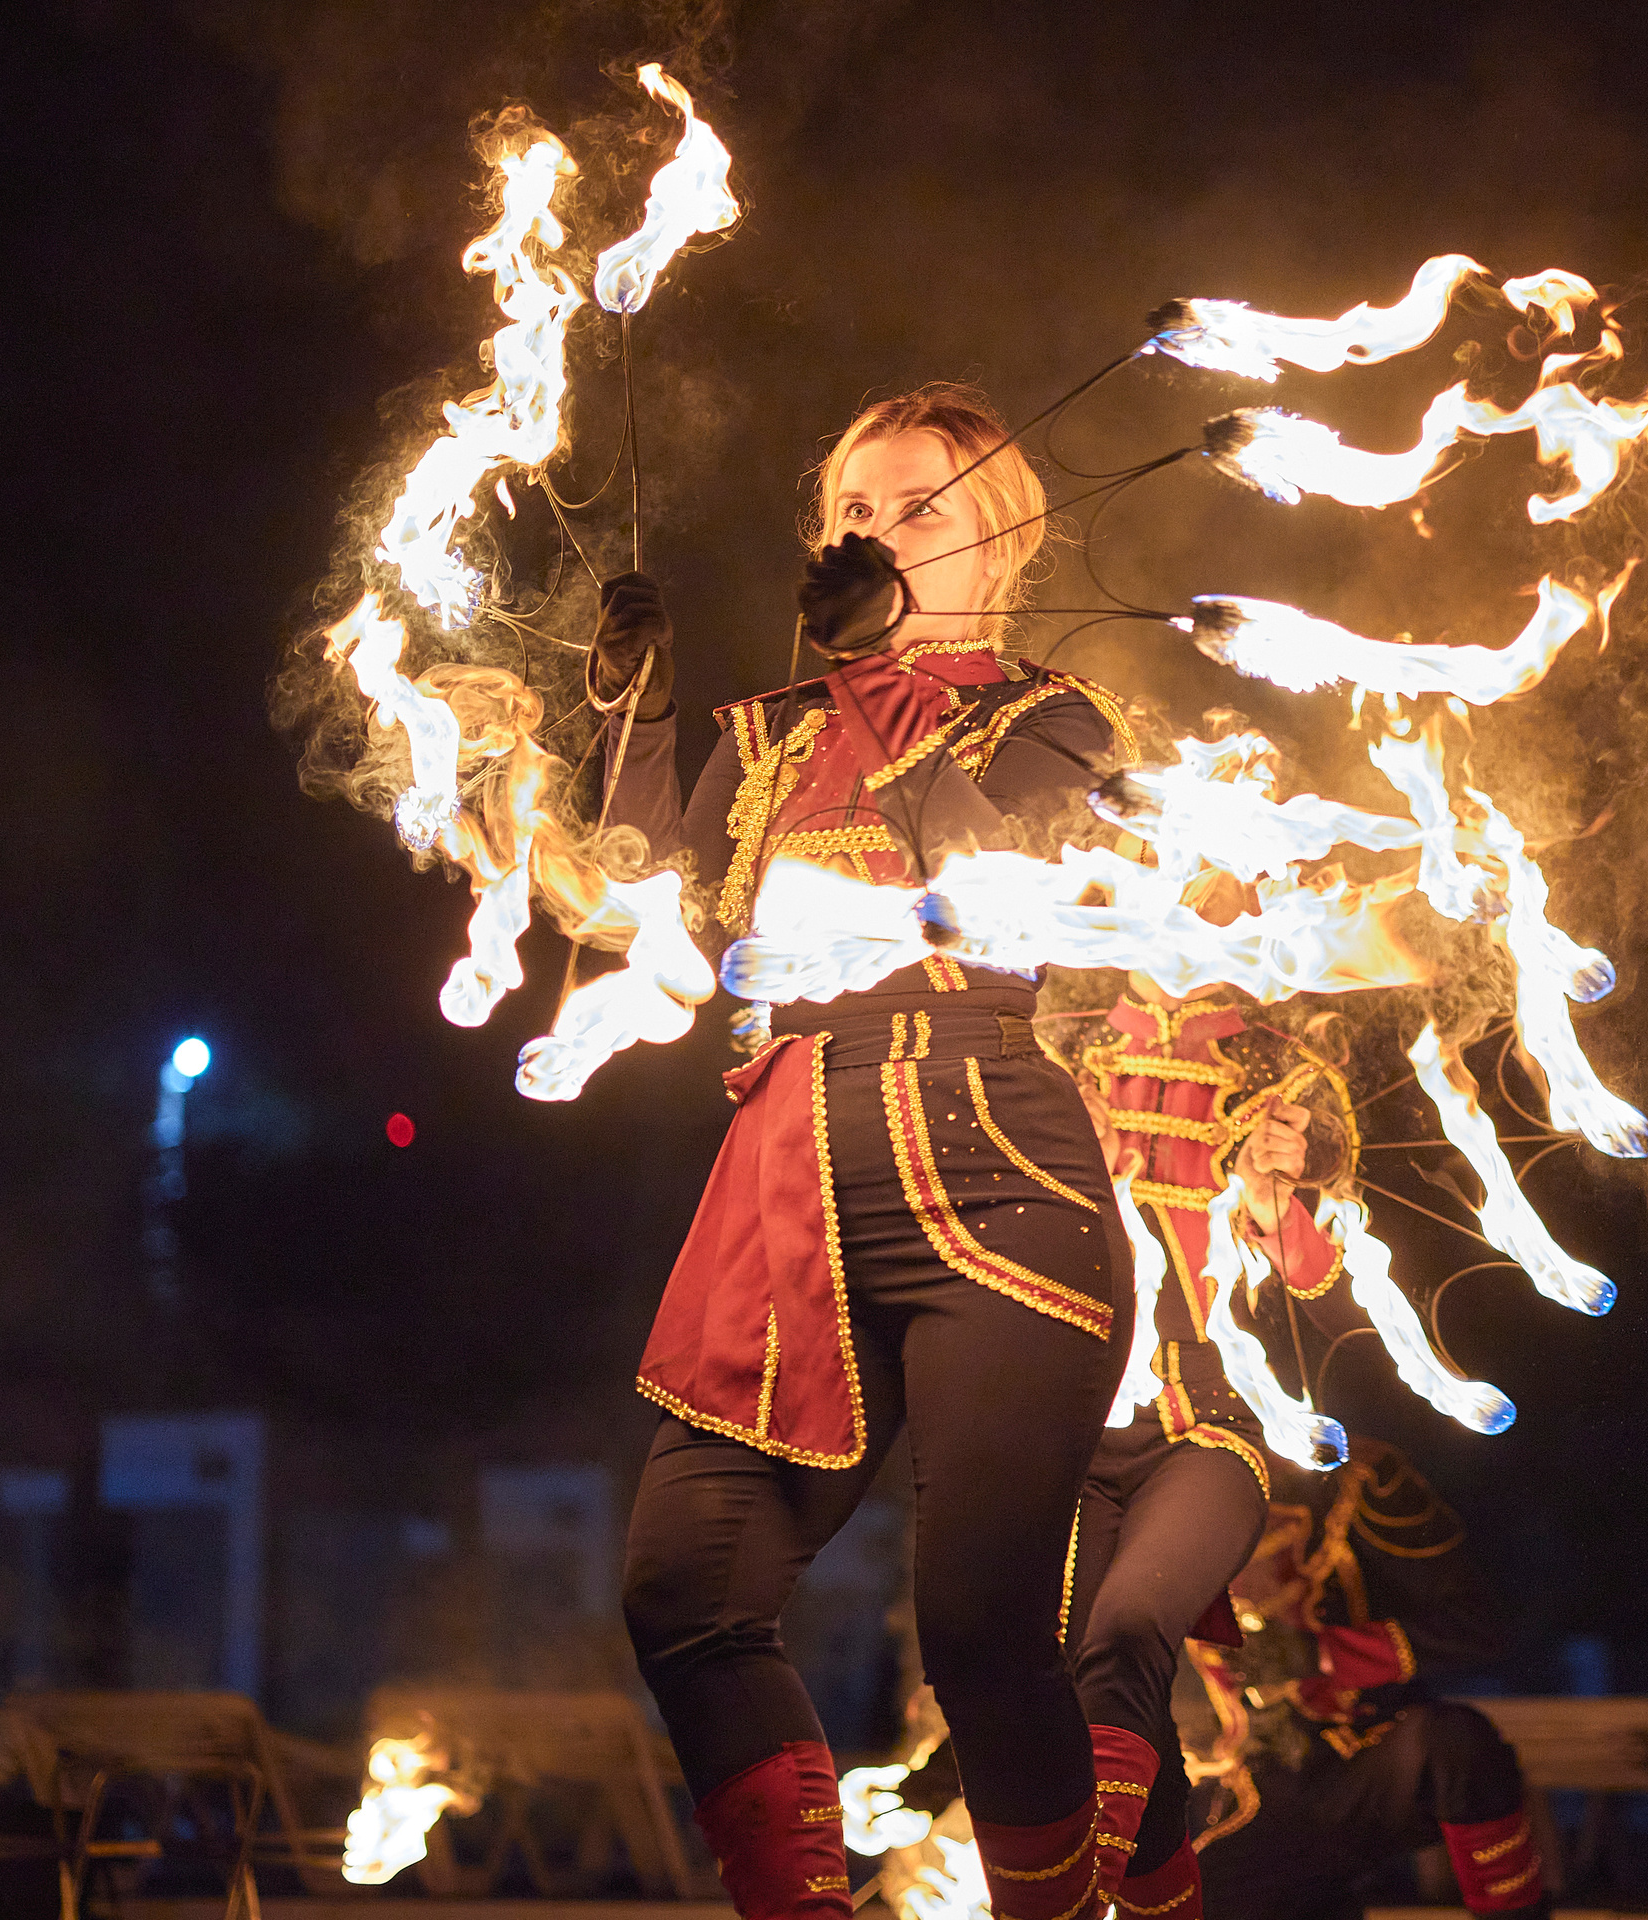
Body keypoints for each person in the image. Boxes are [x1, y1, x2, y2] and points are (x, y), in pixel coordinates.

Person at [598, 382, 1141, 1920]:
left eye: (923, 513)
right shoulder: (762, 739)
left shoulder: (1050, 722)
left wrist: (870, 673)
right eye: (855, 510)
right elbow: (649, 928)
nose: (878, 534)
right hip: (789, 1190)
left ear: (1002, 552)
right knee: (684, 1590)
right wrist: (631, 720)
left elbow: (979, 883)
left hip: (997, 1180)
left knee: (977, 1628)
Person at [1046, 967, 1372, 1919]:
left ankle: (1076, 1903)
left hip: (1203, 1423)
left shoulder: (1284, 1049)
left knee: (1125, 1632)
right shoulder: (1058, 1022)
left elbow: (1315, 1273)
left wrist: (1275, 1200)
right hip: (1062, 1417)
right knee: (1085, 1682)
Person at [1177, 1438, 1547, 1920]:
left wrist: (1325, 1654)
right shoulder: (1165, 1491)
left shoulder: (1356, 1477)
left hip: (1368, 1759)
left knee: (1456, 1743)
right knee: (1187, 1891)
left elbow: (1478, 1625)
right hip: (1248, 1790)